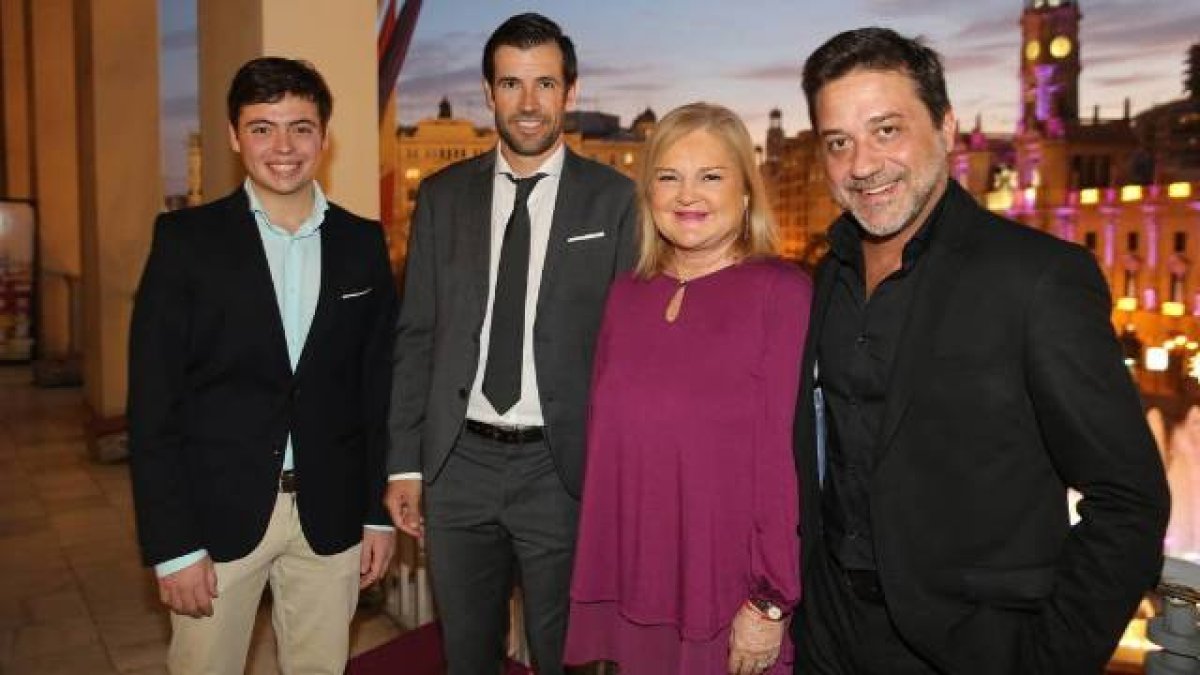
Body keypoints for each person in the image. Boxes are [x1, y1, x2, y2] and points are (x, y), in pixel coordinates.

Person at [792, 27, 1170, 674]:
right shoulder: (828, 278)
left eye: (887, 130)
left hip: (964, 649)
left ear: (945, 126)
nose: (861, 164)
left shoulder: (1037, 278)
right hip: (826, 637)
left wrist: (1046, 659)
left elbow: (1129, 499)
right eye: (838, 141)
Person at [384, 13, 637, 675]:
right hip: (457, 462)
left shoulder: (616, 201)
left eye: (545, 83)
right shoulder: (441, 197)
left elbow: (628, 355)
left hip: (560, 469)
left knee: (566, 655)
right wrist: (405, 463)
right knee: (467, 653)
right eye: (512, 84)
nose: (529, 103)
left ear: (570, 92)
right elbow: (417, 334)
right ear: (489, 93)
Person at [128, 57, 396, 674]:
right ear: (233, 135)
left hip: (330, 514)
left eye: (300, 127)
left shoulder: (362, 244)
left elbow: (376, 389)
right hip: (216, 515)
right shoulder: (184, 242)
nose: (283, 147)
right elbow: (153, 404)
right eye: (262, 127)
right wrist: (173, 547)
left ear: (324, 137)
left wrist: (375, 514)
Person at [564, 102, 811, 675]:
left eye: (711, 176)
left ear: (746, 191)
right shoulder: (626, 295)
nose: (686, 194)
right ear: (647, 195)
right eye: (668, 176)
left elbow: (785, 462)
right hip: (636, 581)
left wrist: (770, 601)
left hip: (727, 594)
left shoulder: (782, 293)